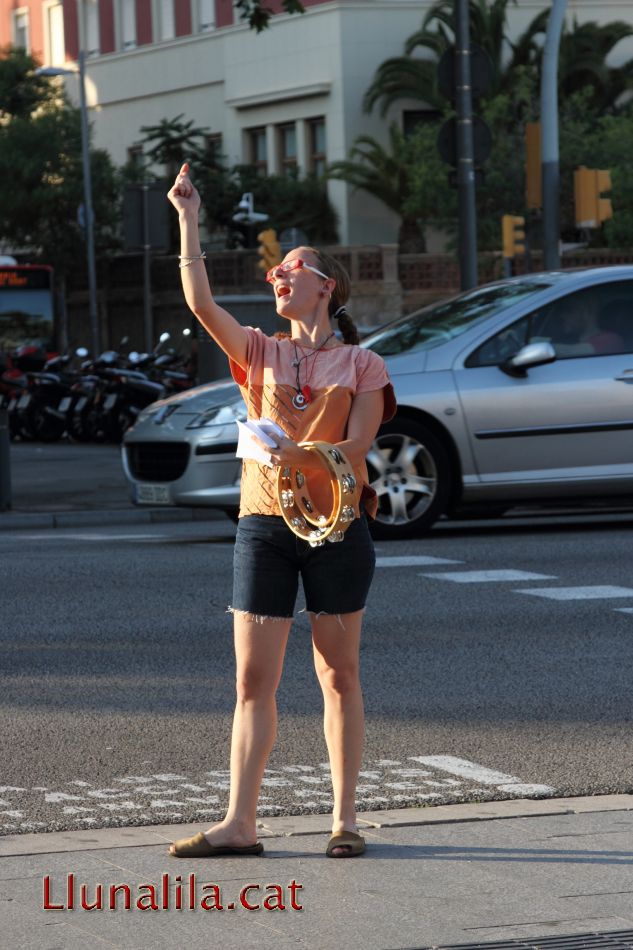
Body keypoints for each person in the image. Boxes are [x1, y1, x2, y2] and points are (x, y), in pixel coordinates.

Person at [166, 163, 396, 859]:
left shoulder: (361, 365)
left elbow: (355, 450)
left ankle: (344, 821)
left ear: (324, 287)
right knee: (251, 680)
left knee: (338, 675)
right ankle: (240, 824)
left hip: (336, 529)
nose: (278, 277)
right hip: (263, 525)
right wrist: (187, 217)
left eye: (291, 269)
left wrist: (297, 456)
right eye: (276, 272)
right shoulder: (259, 352)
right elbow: (204, 306)